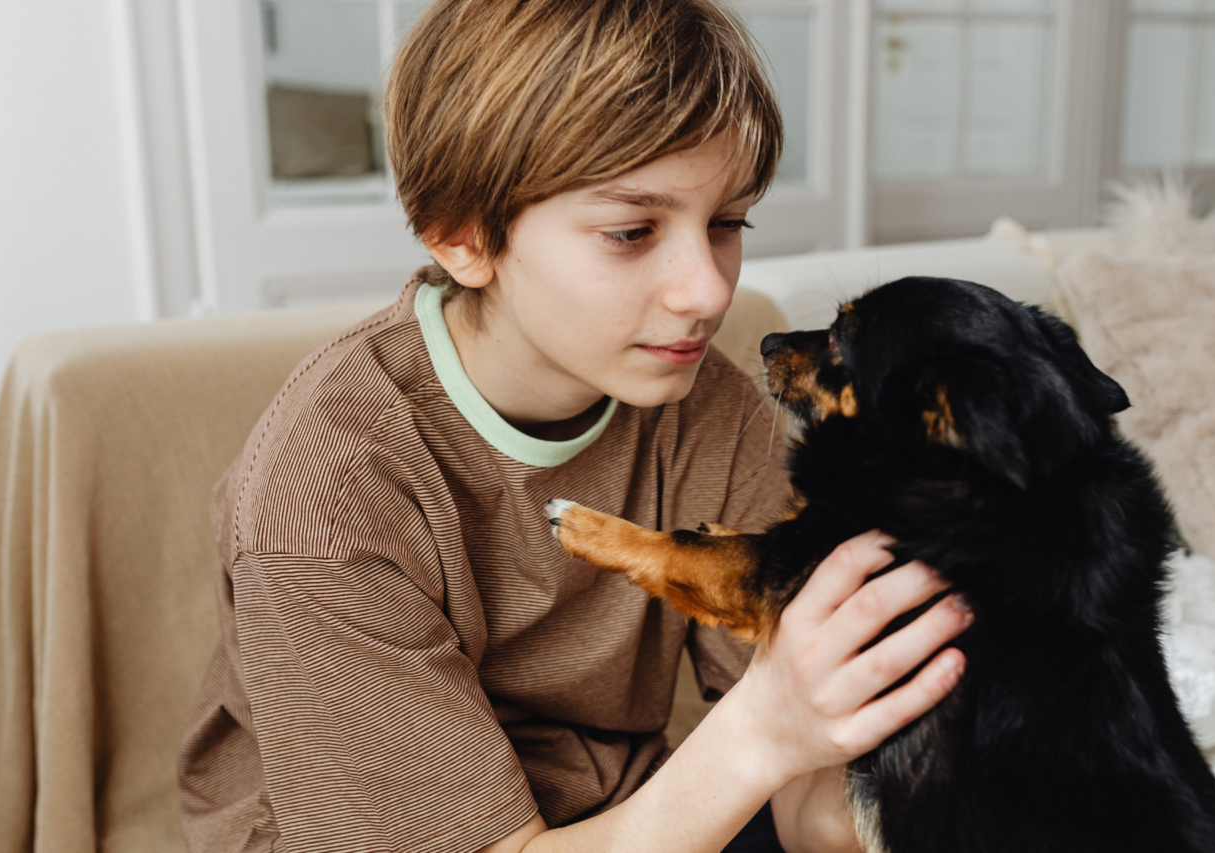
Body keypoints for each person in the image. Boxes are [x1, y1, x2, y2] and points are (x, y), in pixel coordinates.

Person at [176, 1, 972, 851]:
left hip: (629, 816)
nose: (707, 291)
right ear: (462, 236)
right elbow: (765, 739)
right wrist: (768, 728)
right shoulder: (326, 494)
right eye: (632, 231)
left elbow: (808, 805)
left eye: (728, 223)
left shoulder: (707, 404)